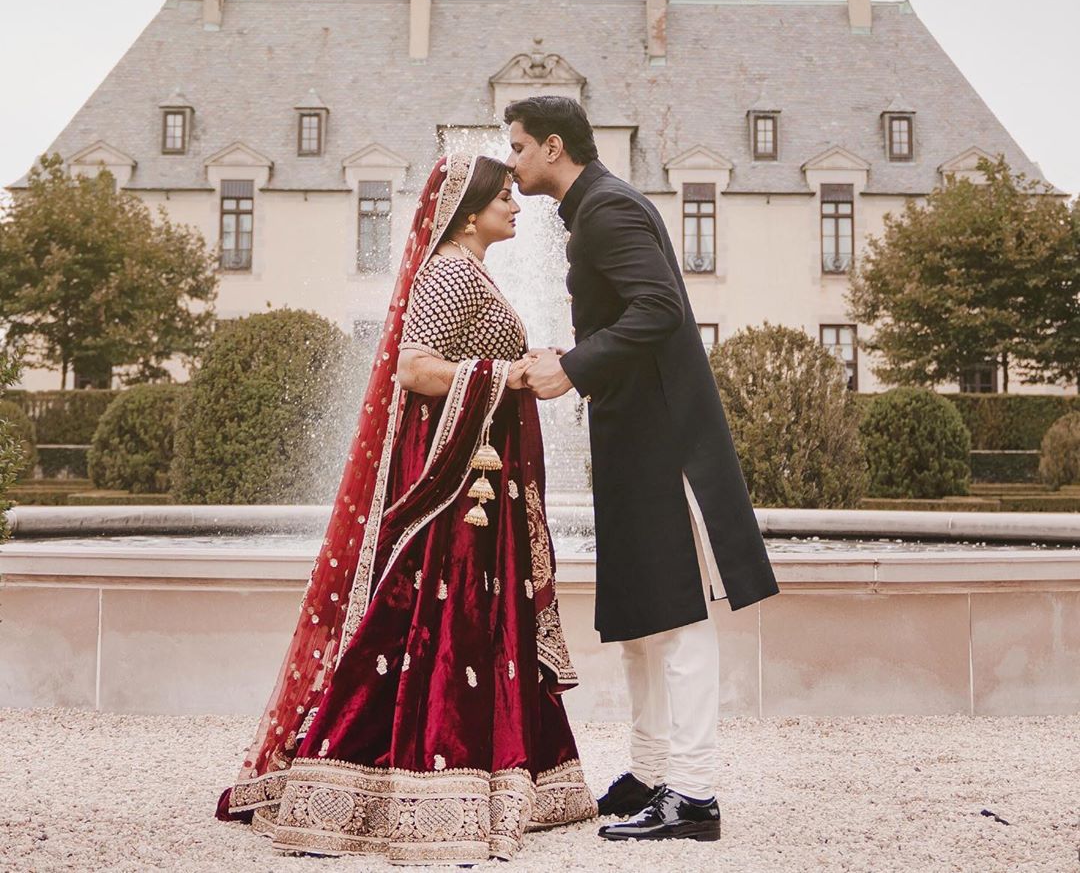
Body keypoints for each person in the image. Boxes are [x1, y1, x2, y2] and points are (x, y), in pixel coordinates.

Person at [215, 150, 597, 863]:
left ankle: (486, 774)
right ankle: (404, 780)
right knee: (442, 619)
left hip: (480, 481)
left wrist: (520, 367)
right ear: (470, 212)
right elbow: (414, 367)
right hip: (457, 488)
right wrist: (507, 374)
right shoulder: (447, 272)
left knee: (470, 620)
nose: (516, 206)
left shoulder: (471, 271)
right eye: (504, 197)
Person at [507, 95, 779, 843]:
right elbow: (631, 315)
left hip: (664, 442)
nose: (512, 162)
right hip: (636, 440)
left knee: (679, 617)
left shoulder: (607, 210)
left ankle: (694, 795)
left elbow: (660, 308)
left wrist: (573, 368)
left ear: (554, 147)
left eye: (519, 147)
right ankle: (651, 771)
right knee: (640, 617)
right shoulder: (598, 207)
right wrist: (574, 358)